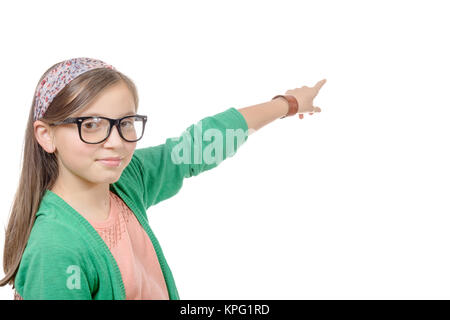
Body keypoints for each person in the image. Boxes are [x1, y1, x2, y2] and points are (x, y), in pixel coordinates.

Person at [0, 57, 326, 300]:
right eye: (92, 124)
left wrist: (288, 104)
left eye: (126, 122)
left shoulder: (128, 181)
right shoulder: (55, 248)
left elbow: (196, 146)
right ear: (46, 136)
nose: (116, 141)